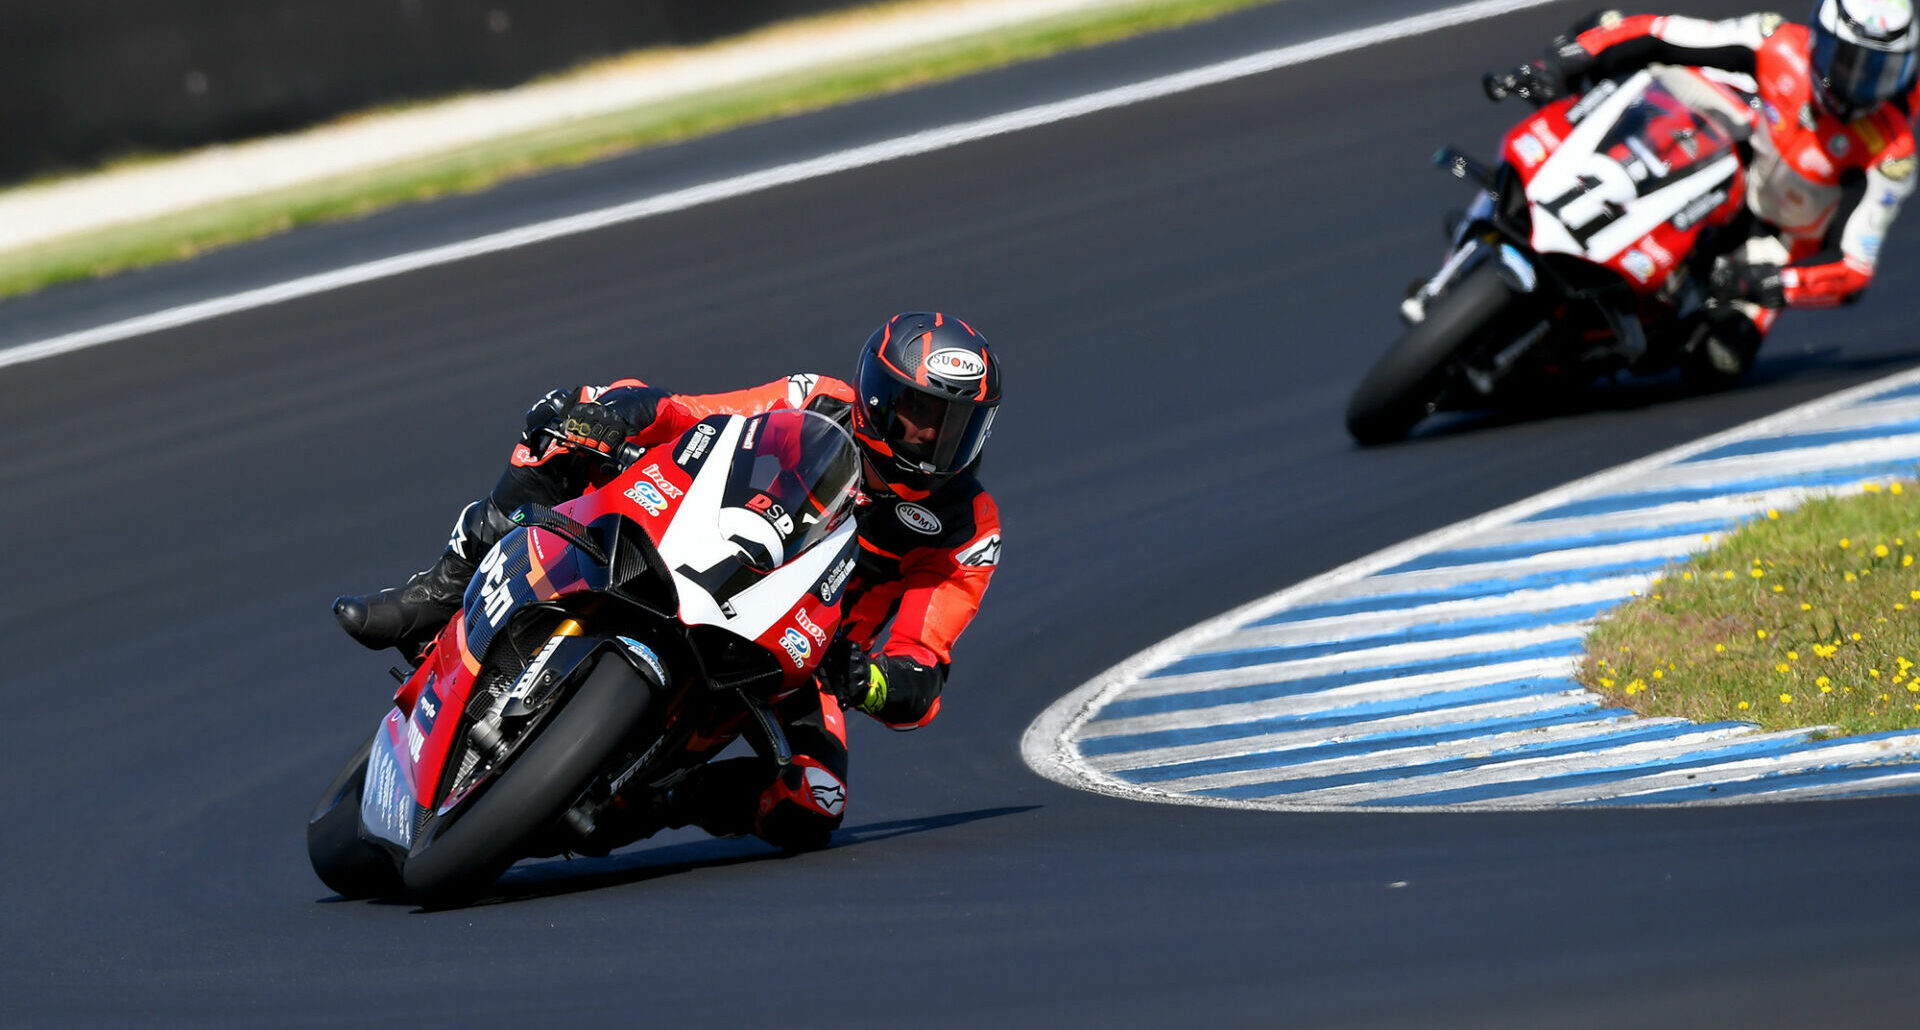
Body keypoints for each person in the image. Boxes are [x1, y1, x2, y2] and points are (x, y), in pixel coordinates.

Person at [332, 312, 1003, 851]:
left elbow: (924, 661)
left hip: (806, 657)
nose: (929, 437)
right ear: (879, 396)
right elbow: (698, 418)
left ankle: (652, 804)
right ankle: (443, 590)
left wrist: (873, 681)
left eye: (952, 427)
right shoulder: (817, 401)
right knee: (571, 421)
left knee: (814, 804)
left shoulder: (967, 527)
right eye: (917, 411)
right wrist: (623, 414)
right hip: (708, 553)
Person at [1495, 2, 1919, 380]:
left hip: (1770, 240)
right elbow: (1660, 32)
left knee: (1719, 357)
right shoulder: (1775, 41)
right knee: (1611, 27)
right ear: (1822, 40)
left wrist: (1774, 282)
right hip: (1727, 138)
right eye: (1847, 61)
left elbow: (1854, 267)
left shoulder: (1890, 153)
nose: (1857, 81)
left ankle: (1590, 347)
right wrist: (1565, 61)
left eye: (1877, 71)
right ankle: (1557, 136)